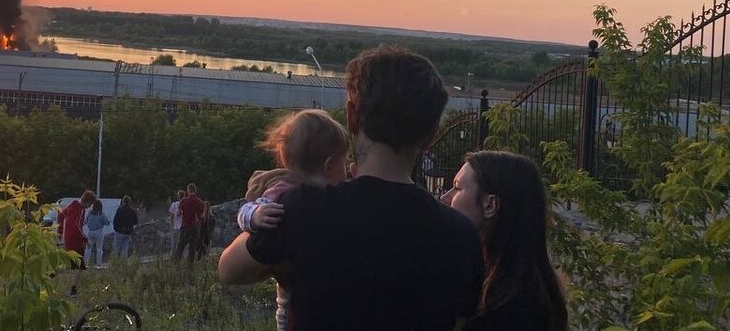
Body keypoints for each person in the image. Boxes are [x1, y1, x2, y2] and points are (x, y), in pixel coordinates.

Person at [219, 45, 484, 330]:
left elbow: (228, 270)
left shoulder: (304, 209)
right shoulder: (461, 235)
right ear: (430, 135)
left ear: (351, 115)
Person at [235, 108, 351, 331]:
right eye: (344, 164)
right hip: (291, 303)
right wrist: (256, 216)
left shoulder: (325, 195)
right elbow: (245, 210)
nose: (347, 171)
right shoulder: (282, 193)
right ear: (328, 166)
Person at [443, 151, 568, 331]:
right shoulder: (530, 292)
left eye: (457, 188)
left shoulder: (510, 309)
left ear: (490, 205)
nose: (445, 198)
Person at [58, 191, 95, 296]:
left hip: (68, 240)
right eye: (90, 204)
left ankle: (51, 275)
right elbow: (77, 227)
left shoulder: (72, 204)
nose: (89, 207)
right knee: (80, 267)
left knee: (69, 264)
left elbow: (60, 216)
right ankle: (73, 290)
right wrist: (86, 239)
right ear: (87, 202)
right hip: (76, 242)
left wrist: (60, 232)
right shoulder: (81, 210)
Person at [173, 183, 204, 265]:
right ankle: (190, 267)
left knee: (180, 246)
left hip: (185, 226)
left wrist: (184, 213)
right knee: (192, 248)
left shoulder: (184, 200)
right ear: (195, 190)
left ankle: (176, 264)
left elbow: (178, 213)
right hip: (195, 227)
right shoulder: (200, 202)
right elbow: (202, 215)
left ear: (188, 190)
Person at [84, 199, 111, 267]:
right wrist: (108, 222)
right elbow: (106, 222)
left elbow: (86, 221)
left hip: (90, 232)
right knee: (99, 248)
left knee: (88, 248)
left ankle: (85, 262)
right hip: (99, 232)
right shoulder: (101, 213)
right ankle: (99, 263)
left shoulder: (89, 212)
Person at [168, 189, 184, 253]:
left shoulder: (183, 204)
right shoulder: (174, 204)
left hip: (180, 227)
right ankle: (174, 257)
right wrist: (171, 226)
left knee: (178, 244)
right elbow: (171, 216)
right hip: (177, 227)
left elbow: (171, 216)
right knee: (175, 244)